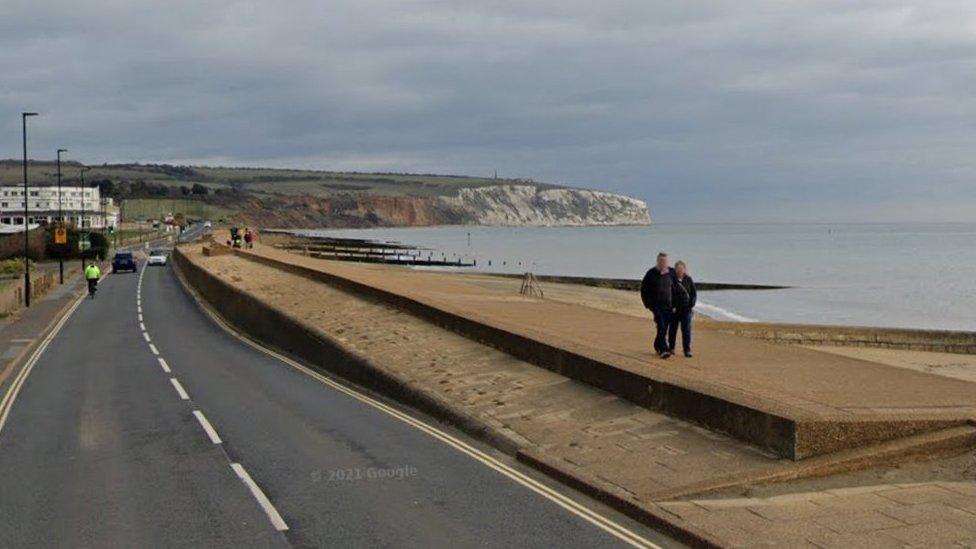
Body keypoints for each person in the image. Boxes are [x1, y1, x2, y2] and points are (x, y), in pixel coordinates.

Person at [640, 252, 674, 358]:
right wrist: (647, 304)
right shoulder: (651, 273)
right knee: (661, 325)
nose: (663, 263)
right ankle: (664, 349)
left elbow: (678, 288)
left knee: (664, 328)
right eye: (661, 261)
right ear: (657, 261)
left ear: (667, 262)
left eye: (665, 261)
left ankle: (657, 344)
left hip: (669, 305)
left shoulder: (672, 273)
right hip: (656, 305)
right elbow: (643, 289)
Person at [668, 260, 697, 358]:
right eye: (678, 269)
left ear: (684, 270)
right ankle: (671, 348)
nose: (680, 271)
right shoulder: (671, 280)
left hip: (686, 310)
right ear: (675, 270)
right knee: (672, 330)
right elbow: (668, 294)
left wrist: (691, 305)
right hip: (675, 310)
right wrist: (671, 306)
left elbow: (694, 294)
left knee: (686, 331)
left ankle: (687, 350)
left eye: (681, 269)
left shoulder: (689, 280)